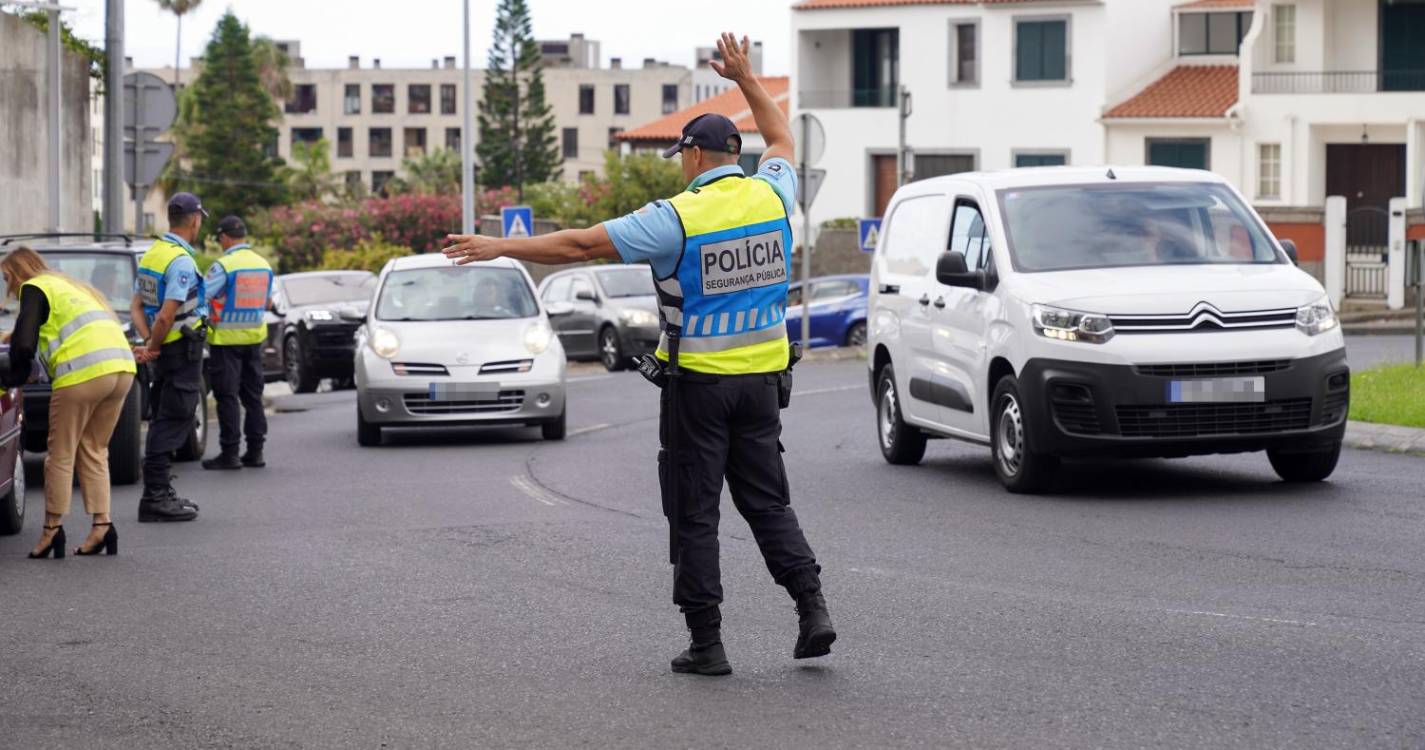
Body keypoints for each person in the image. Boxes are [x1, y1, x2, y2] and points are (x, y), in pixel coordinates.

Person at [443, 34, 834, 676]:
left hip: (699, 389)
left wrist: (499, 246)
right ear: (736, 155)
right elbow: (783, 137)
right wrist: (746, 80)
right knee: (768, 503)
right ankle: (812, 608)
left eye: (683, 155)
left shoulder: (677, 218)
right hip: (765, 383)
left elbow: (578, 248)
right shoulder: (774, 195)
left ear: (695, 156)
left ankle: (708, 644)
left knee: (695, 513)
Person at [1, 247, 137, 558]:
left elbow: (24, 345)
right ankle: (102, 527)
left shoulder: (32, 287)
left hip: (83, 372)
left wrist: (13, 378)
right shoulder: (70, 286)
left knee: (60, 455)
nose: (8, 285)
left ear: (18, 272)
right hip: (121, 369)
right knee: (94, 449)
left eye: (7, 277)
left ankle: (52, 531)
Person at [129, 192, 207, 523]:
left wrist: (148, 343)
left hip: (164, 350)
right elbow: (165, 315)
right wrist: (156, 345)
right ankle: (155, 496)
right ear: (194, 220)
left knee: (166, 414)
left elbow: (137, 307)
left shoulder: (153, 255)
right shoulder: (181, 262)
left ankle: (160, 491)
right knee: (174, 416)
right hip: (178, 351)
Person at [201, 216, 273, 470]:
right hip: (254, 338)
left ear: (224, 237)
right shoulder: (263, 265)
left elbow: (203, 296)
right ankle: (256, 451)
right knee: (253, 396)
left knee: (227, 396)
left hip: (225, 340)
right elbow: (268, 303)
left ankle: (230, 453)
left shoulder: (224, 266)